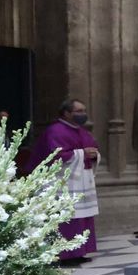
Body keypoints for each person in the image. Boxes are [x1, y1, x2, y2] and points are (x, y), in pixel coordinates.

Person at [33, 99, 100, 264]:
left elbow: (91, 148)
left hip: (81, 180)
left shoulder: (82, 131)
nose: (83, 114)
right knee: (68, 218)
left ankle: (80, 251)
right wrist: (82, 153)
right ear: (66, 113)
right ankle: (66, 255)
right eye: (79, 111)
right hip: (63, 181)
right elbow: (56, 156)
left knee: (82, 217)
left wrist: (93, 154)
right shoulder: (55, 131)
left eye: (84, 111)